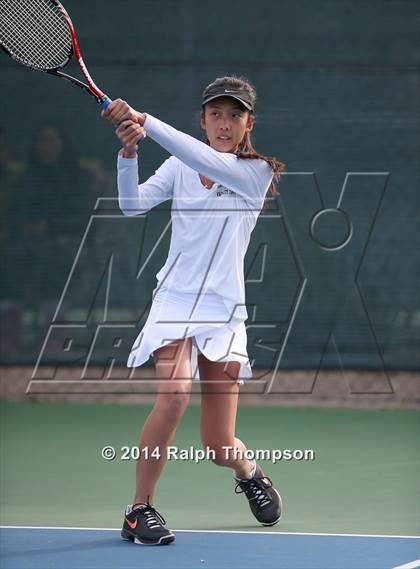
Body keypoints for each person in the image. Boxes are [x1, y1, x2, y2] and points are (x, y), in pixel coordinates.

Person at [102, 75, 286, 546]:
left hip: (225, 311)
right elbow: (131, 205)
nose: (225, 124)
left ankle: (247, 469)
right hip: (176, 300)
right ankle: (138, 509)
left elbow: (202, 157)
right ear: (203, 120)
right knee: (174, 396)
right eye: (216, 114)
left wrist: (147, 121)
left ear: (250, 123)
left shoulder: (257, 172)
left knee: (219, 445)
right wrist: (129, 154)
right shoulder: (180, 165)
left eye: (235, 115)